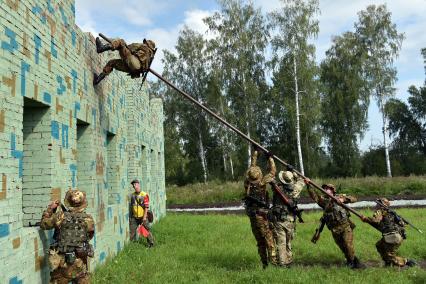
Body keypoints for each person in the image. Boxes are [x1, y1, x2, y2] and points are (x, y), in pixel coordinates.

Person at [40, 189, 95, 284]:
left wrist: (50, 209)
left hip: (62, 261)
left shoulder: (59, 216)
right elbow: (90, 235)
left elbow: (44, 224)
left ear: (68, 202)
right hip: (80, 260)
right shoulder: (88, 218)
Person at [306, 182, 364, 269]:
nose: (325, 190)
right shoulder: (323, 201)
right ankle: (352, 260)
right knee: (342, 247)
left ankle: (352, 263)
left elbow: (354, 198)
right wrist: (308, 185)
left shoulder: (340, 197)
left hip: (345, 227)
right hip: (334, 229)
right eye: (324, 188)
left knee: (348, 245)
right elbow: (314, 196)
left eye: (327, 188)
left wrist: (343, 200)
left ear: (333, 190)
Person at [243, 149, 277, 268]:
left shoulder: (247, 184)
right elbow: (273, 172)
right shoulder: (262, 183)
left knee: (260, 242)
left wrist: (255, 154)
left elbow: (251, 169)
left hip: (252, 217)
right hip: (262, 216)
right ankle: (273, 263)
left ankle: (264, 264)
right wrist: (270, 158)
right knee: (269, 239)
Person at [361, 198, 417, 267]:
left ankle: (406, 261)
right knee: (379, 245)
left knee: (390, 256)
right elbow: (402, 224)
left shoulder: (380, 211)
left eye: (378, 204)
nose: (376, 206)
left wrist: (365, 219)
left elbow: (375, 220)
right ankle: (388, 263)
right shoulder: (391, 213)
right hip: (396, 236)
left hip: (392, 237)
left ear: (381, 205)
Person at [269, 168, 305, 267]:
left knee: (281, 242)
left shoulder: (277, 189)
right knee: (288, 241)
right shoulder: (296, 188)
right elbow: (302, 180)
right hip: (290, 220)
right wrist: (294, 172)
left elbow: (271, 178)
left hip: (279, 220)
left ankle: (283, 263)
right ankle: (288, 260)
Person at [128, 179, 155, 247]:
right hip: (134, 217)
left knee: (146, 230)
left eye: (135, 184)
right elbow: (131, 206)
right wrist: (131, 216)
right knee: (132, 232)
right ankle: (133, 245)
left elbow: (146, 207)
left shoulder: (144, 195)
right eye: (133, 185)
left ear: (138, 184)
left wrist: (144, 217)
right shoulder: (132, 195)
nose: (134, 186)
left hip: (143, 216)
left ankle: (151, 243)